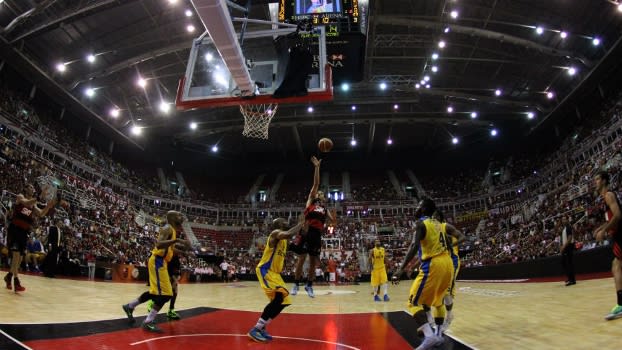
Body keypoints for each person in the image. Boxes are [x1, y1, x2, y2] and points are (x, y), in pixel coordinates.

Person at [394, 198, 460, 350]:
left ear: (423, 209)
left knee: (413, 302)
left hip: (433, 264)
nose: (416, 209)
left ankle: (430, 337)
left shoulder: (421, 223)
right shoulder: (439, 224)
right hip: (448, 264)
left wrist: (401, 268)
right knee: (437, 301)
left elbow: (413, 246)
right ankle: (437, 333)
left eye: (418, 206)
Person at [122, 211, 191, 332]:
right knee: (167, 293)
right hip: (158, 261)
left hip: (161, 262)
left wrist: (183, 250)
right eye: (179, 215)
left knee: (155, 293)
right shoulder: (167, 228)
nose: (181, 217)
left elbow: (170, 248)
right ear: (172, 218)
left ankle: (130, 306)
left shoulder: (173, 230)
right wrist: (177, 241)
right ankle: (148, 321)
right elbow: (159, 244)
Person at [248, 217, 304, 343]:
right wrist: (302, 223)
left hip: (276, 274)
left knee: (284, 301)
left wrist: (308, 237)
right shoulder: (275, 234)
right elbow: (289, 233)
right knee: (278, 298)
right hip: (266, 270)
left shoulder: (285, 242)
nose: (286, 222)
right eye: (283, 221)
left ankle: (261, 327)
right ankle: (256, 329)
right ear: (278, 225)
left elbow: (299, 250)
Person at [291, 156, 333, 298]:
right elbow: (316, 184)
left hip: (316, 233)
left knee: (313, 261)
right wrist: (317, 167)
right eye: (319, 193)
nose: (320, 194)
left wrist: (333, 217)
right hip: (306, 230)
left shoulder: (324, 208)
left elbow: (333, 222)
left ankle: (309, 285)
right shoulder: (310, 201)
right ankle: (296, 284)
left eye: (322, 194)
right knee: (301, 259)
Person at [4, 184, 56, 292]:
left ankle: (8, 276)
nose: (32, 189)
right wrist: (39, 196)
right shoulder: (20, 197)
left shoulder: (33, 205)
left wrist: (49, 206)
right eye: (31, 187)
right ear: (26, 189)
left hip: (24, 232)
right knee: (16, 255)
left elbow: (41, 214)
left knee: (20, 259)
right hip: (15, 229)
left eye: (33, 188)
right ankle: (16, 281)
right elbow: (27, 203)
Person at [593, 171, 622, 320]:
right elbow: (612, 217)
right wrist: (601, 227)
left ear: (604, 181)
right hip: (617, 235)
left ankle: (621, 305)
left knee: (616, 266)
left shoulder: (609, 195)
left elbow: (618, 215)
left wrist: (604, 230)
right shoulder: (605, 199)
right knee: (616, 265)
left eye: (597, 179)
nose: (595, 182)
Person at [433, 210, 465, 334]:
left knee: (446, 292)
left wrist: (452, 245)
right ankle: (438, 319)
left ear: (440, 218)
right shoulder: (434, 231)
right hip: (441, 263)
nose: (433, 219)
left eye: (435, 217)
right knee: (440, 293)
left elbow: (463, 237)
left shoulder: (446, 226)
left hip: (452, 262)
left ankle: (448, 317)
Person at [560, 216, 576, 286]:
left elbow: (569, 238)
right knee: (564, 262)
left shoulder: (569, 227)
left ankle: (572, 280)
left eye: (564, 219)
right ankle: (569, 278)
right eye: (562, 220)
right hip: (566, 247)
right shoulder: (564, 229)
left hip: (568, 247)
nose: (563, 221)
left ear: (567, 220)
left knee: (569, 263)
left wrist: (564, 246)